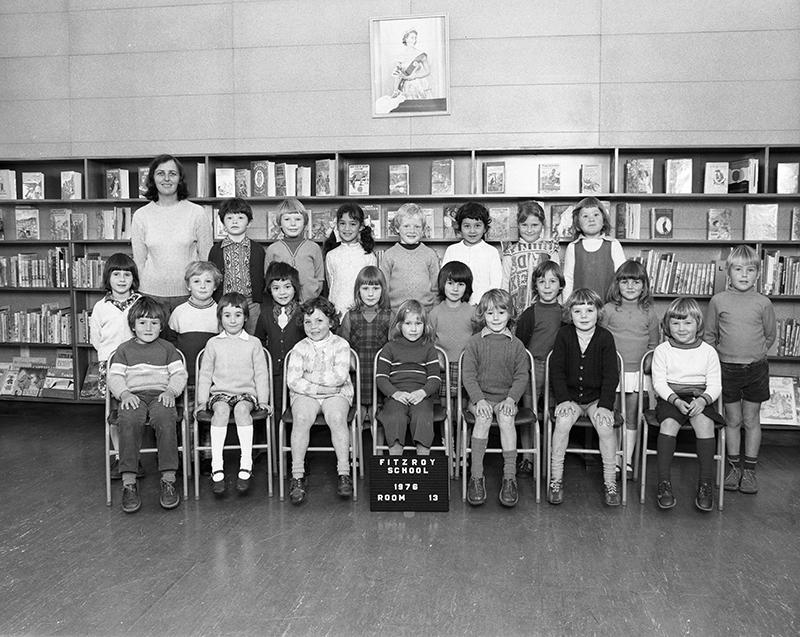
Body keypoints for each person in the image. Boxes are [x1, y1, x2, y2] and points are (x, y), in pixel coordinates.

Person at [704, 245, 776, 495]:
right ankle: (734, 469)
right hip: (727, 369)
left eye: (750, 269)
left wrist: (754, 354)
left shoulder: (763, 303)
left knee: (751, 419)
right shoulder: (718, 301)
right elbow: (710, 335)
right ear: (728, 272)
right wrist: (723, 358)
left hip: (756, 369)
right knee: (732, 420)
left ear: (758, 273)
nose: (744, 274)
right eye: (738, 269)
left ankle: (750, 471)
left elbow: (770, 335)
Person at [106, 297, 188, 514]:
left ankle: (168, 479)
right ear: (133, 325)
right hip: (133, 396)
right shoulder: (124, 350)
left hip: (161, 394)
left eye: (154, 323)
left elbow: (179, 374)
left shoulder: (168, 349)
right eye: (142, 323)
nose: (148, 328)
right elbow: (114, 377)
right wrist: (124, 393)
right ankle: (129, 482)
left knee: (165, 419)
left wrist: (171, 391)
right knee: (129, 420)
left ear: (161, 326)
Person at [547, 288, 620, 507]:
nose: (584, 316)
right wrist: (562, 400)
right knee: (562, 423)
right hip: (570, 398)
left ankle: (610, 482)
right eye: (578, 311)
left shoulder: (605, 337)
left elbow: (611, 376)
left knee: (605, 427)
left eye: (590, 310)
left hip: (596, 400)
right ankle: (556, 480)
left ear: (598, 312)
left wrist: (605, 405)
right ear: (570, 314)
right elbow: (556, 371)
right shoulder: (564, 335)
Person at [652, 297, 724, 512]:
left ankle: (705, 484)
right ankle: (664, 483)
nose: (681, 328)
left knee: (705, 425)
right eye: (675, 323)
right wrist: (675, 400)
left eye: (687, 323)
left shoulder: (708, 351)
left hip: (699, 398)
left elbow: (715, 385)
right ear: (667, 325)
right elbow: (659, 383)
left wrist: (702, 400)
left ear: (698, 324)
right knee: (668, 425)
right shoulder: (663, 350)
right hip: (670, 398)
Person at [196, 293, 270, 497]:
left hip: (245, 394)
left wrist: (264, 400)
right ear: (220, 318)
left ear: (245, 317)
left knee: (242, 410)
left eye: (238, 315)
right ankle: (216, 465)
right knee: (220, 411)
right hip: (220, 393)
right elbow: (205, 374)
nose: (233, 320)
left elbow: (261, 374)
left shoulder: (253, 343)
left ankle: (246, 463)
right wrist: (202, 401)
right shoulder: (213, 343)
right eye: (227, 315)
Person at [462, 289, 530, 508]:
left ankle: (509, 477)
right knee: (482, 419)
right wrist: (479, 400)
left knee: (507, 419)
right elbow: (468, 375)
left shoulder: (517, 345)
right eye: (490, 313)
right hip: (480, 398)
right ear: (483, 315)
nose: (496, 318)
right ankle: (476, 477)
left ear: (510, 314)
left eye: (501, 312)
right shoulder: (474, 342)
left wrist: (511, 400)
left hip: (505, 399)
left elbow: (521, 376)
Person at [286, 297, 354, 505]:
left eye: (319, 321)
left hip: (337, 394)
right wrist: (319, 388)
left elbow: (339, 377)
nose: (313, 326)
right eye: (308, 322)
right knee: (301, 417)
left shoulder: (341, 345)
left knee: (336, 417)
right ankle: (297, 475)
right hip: (306, 395)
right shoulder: (299, 348)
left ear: (331, 322)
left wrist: (310, 376)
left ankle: (344, 472)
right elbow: (293, 381)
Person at [600, 259, 660, 479]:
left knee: (631, 417)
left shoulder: (649, 312)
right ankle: (613, 459)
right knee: (613, 416)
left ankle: (626, 460)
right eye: (625, 281)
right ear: (617, 285)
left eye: (636, 282)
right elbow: (599, 340)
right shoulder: (608, 309)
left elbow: (654, 344)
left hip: (636, 375)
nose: (631, 286)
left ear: (644, 286)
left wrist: (647, 363)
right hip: (612, 374)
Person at [131, 154, 212, 313]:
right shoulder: (141, 215)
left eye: (172, 174)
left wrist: (201, 290)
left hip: (190, 295)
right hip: (150, 295)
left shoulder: (197, 213)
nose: (166, 178)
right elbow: (139, 262)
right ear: (152, 178)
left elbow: (206, 260)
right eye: (160, 173)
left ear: (180, 179)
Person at [89, 253, 143, 480]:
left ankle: (135, 457)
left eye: (127, 275)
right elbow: (96, 339)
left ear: (134, 278)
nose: (122, 279)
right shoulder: (100, 307)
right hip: (111, 366)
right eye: (116, 274)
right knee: (115, 413)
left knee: (136, 410)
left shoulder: (141, 302)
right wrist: (109, 355)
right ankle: (121, 456)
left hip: (138, 365)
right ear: (107, 278)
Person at [168, 260, 222, 475]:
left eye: (208, 281)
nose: (202, 286)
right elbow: (171, 345)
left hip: (213, 381)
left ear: (215, 286)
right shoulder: (179, 312)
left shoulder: (220, 312)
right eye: (197, 281)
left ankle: (208, 458)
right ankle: (188, 458)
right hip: (187, 379)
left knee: (209, 419)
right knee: (188, 418)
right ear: (188, 285)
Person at [514, 260, 566, 477]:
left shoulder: (566, 314)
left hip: (557, 370)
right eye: (542, 281)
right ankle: (528, 458)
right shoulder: (529, 313)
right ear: (535, 285)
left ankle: (551, 457)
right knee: (530, 414)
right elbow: (519, 344)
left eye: (552, 281)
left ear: (560, 285)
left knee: (553, 414)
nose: (547, 286)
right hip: (532, 368)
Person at [376, 300, 441, 456]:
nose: (413, 329)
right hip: (396, 396)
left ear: (425, 326)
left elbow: (435, 378)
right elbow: (381, 378)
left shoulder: (429, 348)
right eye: (408, 323)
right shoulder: (389, 348)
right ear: (399, 325)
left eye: (418, 324)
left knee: (422, 417)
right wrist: (395, 393)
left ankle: (423, 462)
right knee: (395, 417)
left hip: (421, 397)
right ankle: (395, 462)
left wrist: (422, 393)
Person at [253, 261, 305, 422]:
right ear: (270, 290)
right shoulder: (265, 314)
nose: (282, 292)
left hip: (300, 374)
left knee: (299, 411)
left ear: (295, 288)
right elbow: (259, 341)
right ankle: (276, 439)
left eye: (287, 287)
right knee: (276, 411)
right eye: (276, 288)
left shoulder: (304, 313)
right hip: (274, 374)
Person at [339, 266, 393, 417]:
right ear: (358, 290)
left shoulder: (389, 316)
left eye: (375, 288)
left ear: (383, 290)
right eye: (365, 288)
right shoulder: (350, 316)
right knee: (357, 416)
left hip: (381, 376)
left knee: (379, 416)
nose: (370, 294)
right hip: (358, 376)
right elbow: (342, 348)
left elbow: (394, 350)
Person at [208, 198, 266, 335]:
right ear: (223, 223)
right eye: (229, 218)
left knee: (252, 336)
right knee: (224, 337)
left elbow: (262, 276)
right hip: (224, 301)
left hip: (251, 302)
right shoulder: (216, 250)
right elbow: (212, 276)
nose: (235, 222)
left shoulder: (257, 249)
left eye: (240, 217)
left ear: (249, 223)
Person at [561, 197, 626, 301]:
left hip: (608, 304)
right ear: (578, 223)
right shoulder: (573, 247)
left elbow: (622, 277)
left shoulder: (613, 244)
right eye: (585, 216)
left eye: (596, 215)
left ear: (604, 220)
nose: (591, 219)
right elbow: (568, 280)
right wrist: (566, 304)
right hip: (581, 306)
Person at [429, 260, 474, 408]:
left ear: (467, 287)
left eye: (460, 284)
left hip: (466, 367)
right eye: (450, 283)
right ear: (442, 284)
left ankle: (461, 424)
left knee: (463, 406)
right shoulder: (435, 313)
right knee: (445, 407)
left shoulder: (472, 312)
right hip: (443, 367)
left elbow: (477, 340)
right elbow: (429, 341)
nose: (455, 289)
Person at [379, 203, 439, 313]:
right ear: (397, 228)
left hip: (425, 313)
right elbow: (384, 288)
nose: (412, 231)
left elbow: (436, 288)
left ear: (423, 229)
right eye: (406, 226)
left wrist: (434, 312)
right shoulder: (389, 255)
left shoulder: (430, 254)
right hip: (396, 313)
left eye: (417, 226)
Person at [501, 201, 560, 311]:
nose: (529, 230)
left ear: (542, 225)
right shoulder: (510, 252)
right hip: (516, 308)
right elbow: (504, 282)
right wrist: (504, 308)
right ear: (518, 225)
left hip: (545, 308)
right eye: (524, 225)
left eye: (534, 225)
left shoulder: (550, 250)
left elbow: (558, 281)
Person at [442, 202, 502, 305]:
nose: (472, 231)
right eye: (467, 226)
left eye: (477, 226)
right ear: (459, 228)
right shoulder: (452, 250)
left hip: (484, 307)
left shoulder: (491, 252)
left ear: (485, 228)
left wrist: (486, 304)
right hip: (457, 306)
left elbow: (496, 283)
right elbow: (444, 280)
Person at [265, 198, 324, 303]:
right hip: (282, 304)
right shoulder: (272, 249)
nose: (293, 224)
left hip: (309, 303)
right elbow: (268, 280)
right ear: (279, 223)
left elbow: (319, 279)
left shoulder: (314, 248)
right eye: (287, 219)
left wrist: (312, 297)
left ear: (305, 222)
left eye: (298, 219)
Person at [324, 202, 377, 317]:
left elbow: (372, 288)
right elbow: (330, 285)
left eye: (352, 224)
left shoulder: (368, 256)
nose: (347, 228)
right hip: (336, 311)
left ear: (361, 226)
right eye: (342, 223)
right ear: (337, 225)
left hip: (361, 314)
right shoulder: (331, 255)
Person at [391, 28, 432, 100]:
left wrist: (414, 76)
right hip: (405, 86)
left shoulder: (420, 54)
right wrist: (395, 90)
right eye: (412, 37)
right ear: (406, 39)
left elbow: (428, 71)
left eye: (415, 38)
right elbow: (398, 74)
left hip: (418, 85)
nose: (414, 40)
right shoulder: (400, 56)